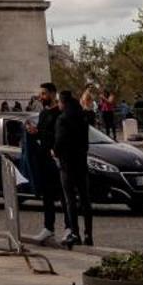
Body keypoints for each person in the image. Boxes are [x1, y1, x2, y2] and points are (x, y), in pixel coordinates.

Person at [22, 83, 62, 244]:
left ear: (53, 94)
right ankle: (48, 228)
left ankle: (70, 229)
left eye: (44, 94)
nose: (41, 96)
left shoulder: (59, 112)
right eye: (41, 93)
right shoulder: (44, 113)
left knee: (64, 197)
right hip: (44, 158)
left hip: (57, 158)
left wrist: (39, 133)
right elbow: (42, 134)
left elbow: (57, 135)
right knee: (47, 196)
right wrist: (32, 132)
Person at [55, 89, 93, 248]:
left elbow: (59, 142)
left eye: (59, 102)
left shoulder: (62, 119)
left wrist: (54, 151)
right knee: (85, 199)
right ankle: (88, 234)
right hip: (81, 162)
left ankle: (75, 232)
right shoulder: (83, 117)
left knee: (70, 200)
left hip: (67, 164)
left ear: (62, 103)